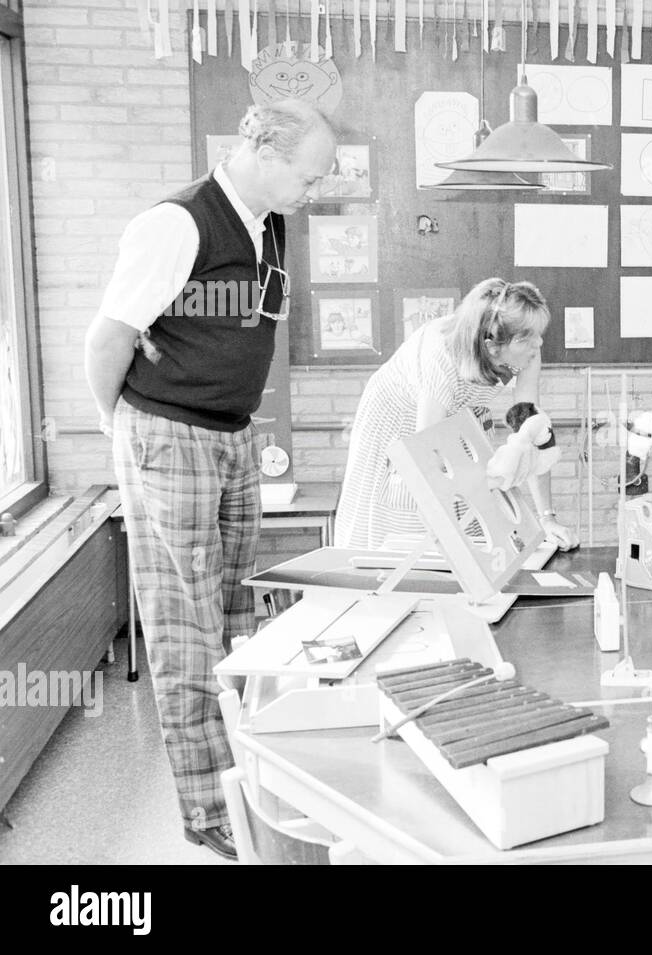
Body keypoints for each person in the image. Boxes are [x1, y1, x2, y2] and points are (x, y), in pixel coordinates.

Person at [84, 100, 338, 860]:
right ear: (261, 147)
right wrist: (121, 429)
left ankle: (239, 782)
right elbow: (109, 339)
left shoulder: (269, 225)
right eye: (308, 174)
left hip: (229, 437)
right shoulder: (179, 223)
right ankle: (209, 813)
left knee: (231, 622)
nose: (314, 190)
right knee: (186, 634)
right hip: (169, 435)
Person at [334, 278, 575, 552]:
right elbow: (427, 455)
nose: (539, 342)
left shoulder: (528, 349)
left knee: (472, 517)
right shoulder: (441, 353)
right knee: (413, 532)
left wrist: (547, 519)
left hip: (458, 417)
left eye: (538, 333)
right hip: (398, 421)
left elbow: (532, 434)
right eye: (528, 338)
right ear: (493, 347)